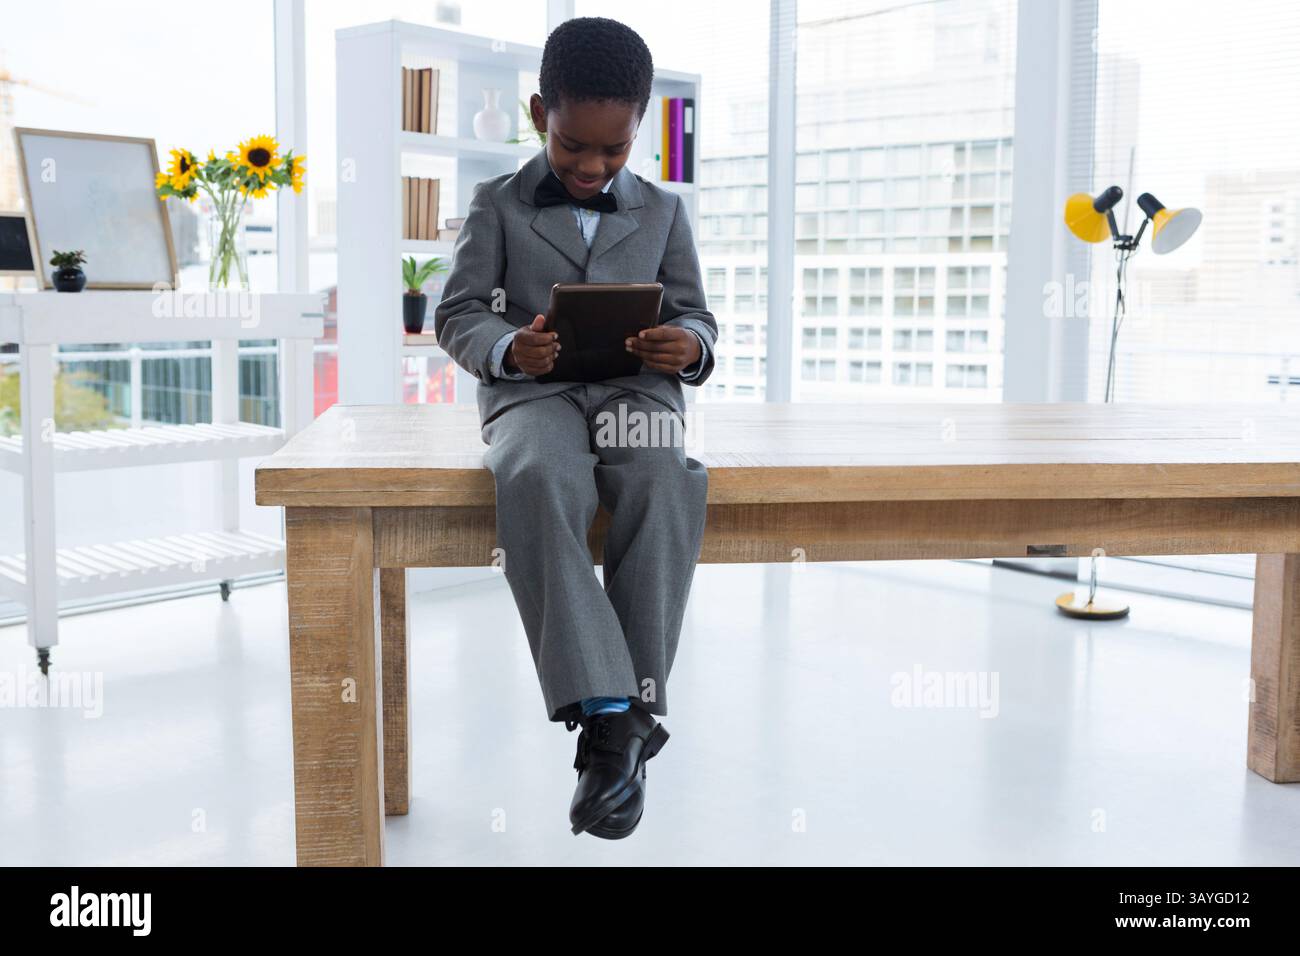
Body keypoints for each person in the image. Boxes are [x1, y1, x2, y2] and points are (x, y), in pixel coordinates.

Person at [434, 16, 717, 839]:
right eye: (572, 148)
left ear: (638, 129)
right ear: (537, 115)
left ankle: (614, 724)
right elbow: (455, 314)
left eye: (615, 151)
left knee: (666, 475)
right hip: (535, 396)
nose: (592, 167)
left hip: (638, 392)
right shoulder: (495, 205)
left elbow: (697, 313)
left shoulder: (664, 212)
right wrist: (508, 348)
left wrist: (689, 344)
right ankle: (616, 716)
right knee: (535, 477)